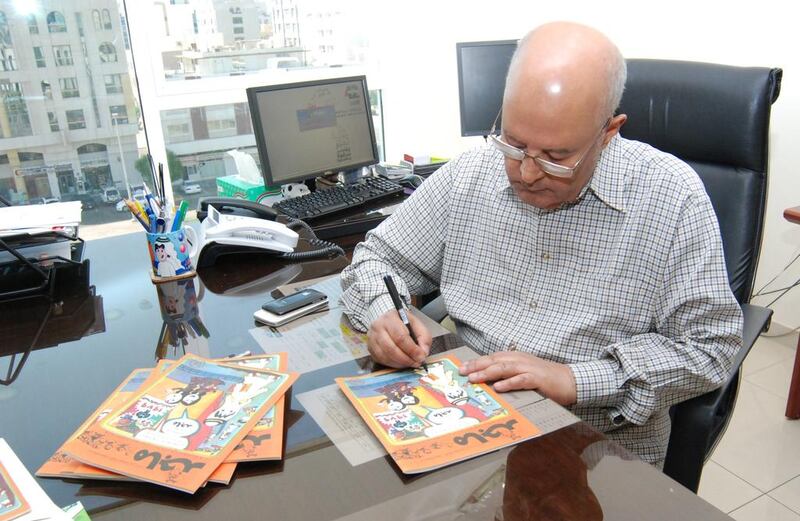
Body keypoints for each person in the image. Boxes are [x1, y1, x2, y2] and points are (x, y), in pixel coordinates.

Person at [340, 21, 742, 466]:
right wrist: (384, 313)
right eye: (514, 143)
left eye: (556, 158)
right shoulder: (471, 173)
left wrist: (575, 379)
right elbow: (379, 256)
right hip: (464, 413)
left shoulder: (672, 197)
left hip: (595, 444)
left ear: (608, 133)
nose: (526, 173)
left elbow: (710, 347)